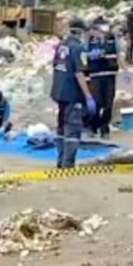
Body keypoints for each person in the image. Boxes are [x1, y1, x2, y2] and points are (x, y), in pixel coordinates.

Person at [50, 18, 96, 168]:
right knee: (73, 129)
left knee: (61, 127)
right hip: (72, 93)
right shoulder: (79, 48)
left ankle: (60, 160)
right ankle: (68, 163)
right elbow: (79, 74)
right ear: (81, 32)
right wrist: (88, 96)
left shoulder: (60, 46)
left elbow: (56, 66)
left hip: (59, 92)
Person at [85, 17, 127, 138]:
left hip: (110, 75)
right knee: (97, 103)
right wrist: (91, 55)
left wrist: (125, 71)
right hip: (95, 75)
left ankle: (105, 128)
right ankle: (93, 126)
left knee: (108, 103)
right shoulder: (90, 40)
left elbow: (118, 55)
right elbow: (84, 55)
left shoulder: (112, 39)